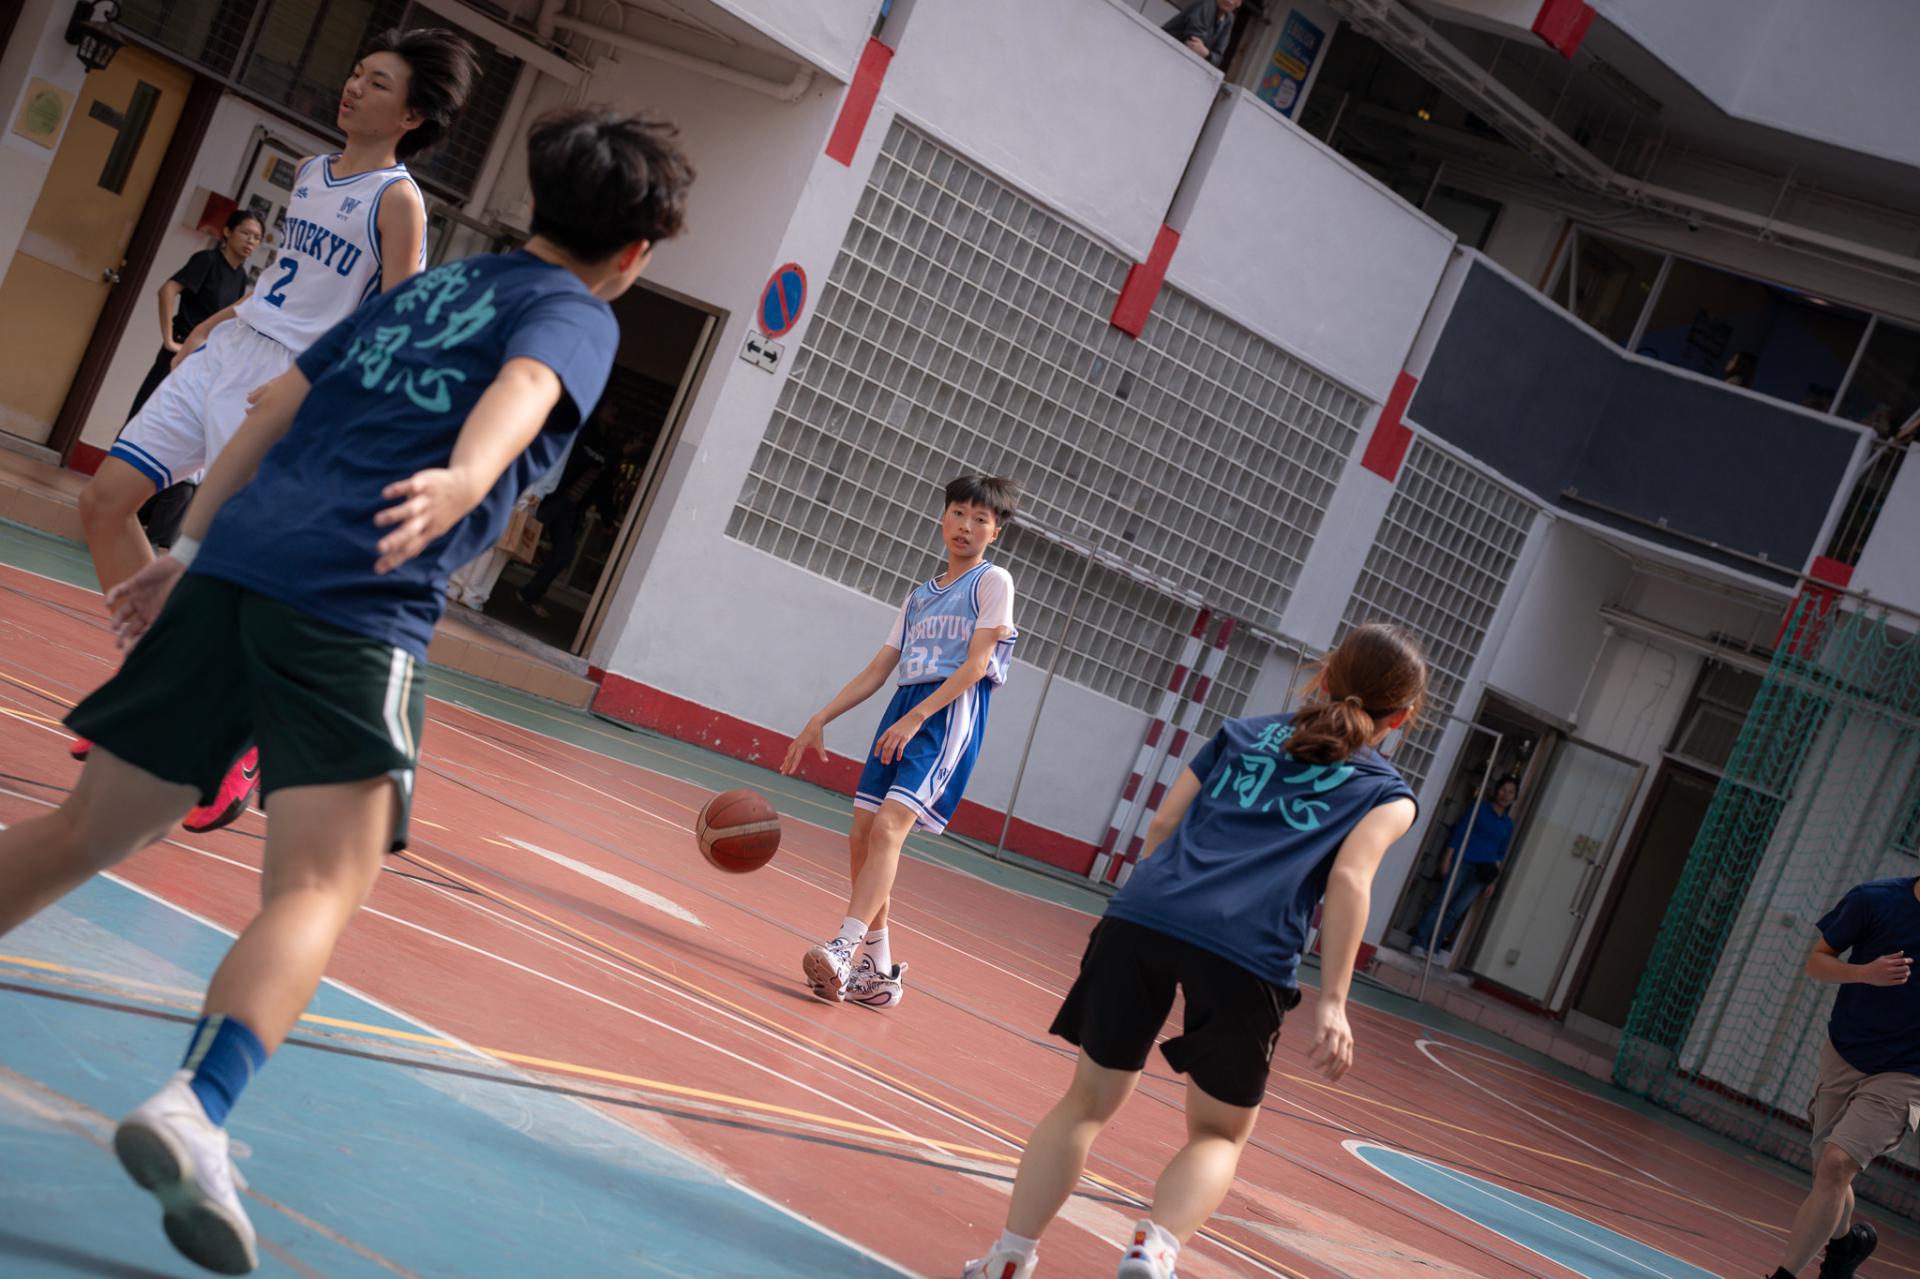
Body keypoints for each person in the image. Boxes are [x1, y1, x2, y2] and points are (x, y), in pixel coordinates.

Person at [0, 106, 694, 1276]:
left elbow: (273, 406)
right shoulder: (575, 315)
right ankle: (196, 1105)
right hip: (354, 599)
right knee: (321, 884)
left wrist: (189, 545)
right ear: (634, 254)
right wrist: (467, 475)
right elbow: (528, 383)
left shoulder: (432, 288)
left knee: (92, 828)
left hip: (235, 564)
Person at [71, 26, 478, 834]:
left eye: (378, 82)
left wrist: (324, 393)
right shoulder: (311, 171)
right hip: (232, 350)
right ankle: (156, 692)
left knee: (222, 570)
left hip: (289, 383)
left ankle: (231, 735)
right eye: (356, 73)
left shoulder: (397, 200)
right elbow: (290, 283)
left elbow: (397, 321)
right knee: (104, 502)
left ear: (412, 115)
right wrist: (218, 321)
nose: (354, 87)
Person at [960, 623, 1425, 1279]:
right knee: (1218, 1132)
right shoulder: (1387, 794)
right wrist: (1335, 1002)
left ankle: (1010, 1256)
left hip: (1145, 914)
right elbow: (1350, 879)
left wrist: (1162, 904)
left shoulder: (1241, 734)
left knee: (1085, 1102)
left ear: (1322, 676)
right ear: (1402, 717)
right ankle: (1154, 1247)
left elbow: (1162, 823)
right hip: (1249, 951)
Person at [779, 475, 1020, 1009]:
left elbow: (977, 665)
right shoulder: (918, 597)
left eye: (980, 519)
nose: (966, 526)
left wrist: (918, 718)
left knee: (889, 827)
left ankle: (843, 948)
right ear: (943, 517)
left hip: (947, 712)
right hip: (905, 707)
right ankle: (877, 969)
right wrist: (822, 716)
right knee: (862, 835)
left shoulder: (992, 581)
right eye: (959, 513)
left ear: (995, 532)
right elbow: (878, 669)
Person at [1765, 876, 1920, 1279]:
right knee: (1827, 1174)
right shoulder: (1873, 900)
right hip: (1846, 1052)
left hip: (1908, 1071)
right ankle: (1846, 1247)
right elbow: (1817, 961)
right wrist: (1865, 972)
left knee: (1836, 1165)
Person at [122, 209, 264, 550]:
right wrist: (169, 339)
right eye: (245, 233)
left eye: (257, 237)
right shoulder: (207, 261)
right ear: (227, 232)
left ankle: (142, 515)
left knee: (178, 434)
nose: (251, 241)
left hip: (204, 363)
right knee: (146, 420)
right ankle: (120, 502)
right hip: (180, 353)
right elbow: (167, 290)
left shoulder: (240, 276)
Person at [514, 411, 646, 618]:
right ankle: (483, 579)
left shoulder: (608, 448)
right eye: (612, 407)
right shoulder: (585, 436)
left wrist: (607, 520)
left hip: (570, 508)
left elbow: (604, 488)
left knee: (563, 552)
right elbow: (584, 463)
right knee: (518, 536)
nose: (614, 413)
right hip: (553, 499)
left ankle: (530, 593)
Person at [1410, 775, 1518, 959]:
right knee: (1441, 903)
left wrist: (1493, 881)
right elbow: (1459, 833)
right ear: (1496, 791)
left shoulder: (1508, 824)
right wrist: (1447, 859)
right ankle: (1419, 943)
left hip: (1482, 873)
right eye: (1503, 790)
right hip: (1462, 862)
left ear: (1514, 797)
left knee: (1455, 912)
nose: (1505, 795)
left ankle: (1433, 947)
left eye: (1510, 792)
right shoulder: (1479, 809)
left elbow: (1500, 853)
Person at [1162, 0, 1241, 68]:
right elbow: (1193, 44)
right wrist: (1208, 55)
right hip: (1165, 49)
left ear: (1239, 3)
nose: (1229, 1)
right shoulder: (1207, 3)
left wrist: (1207, 54)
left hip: (1180, 62)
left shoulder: (1229, 19)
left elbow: (1218, 58)